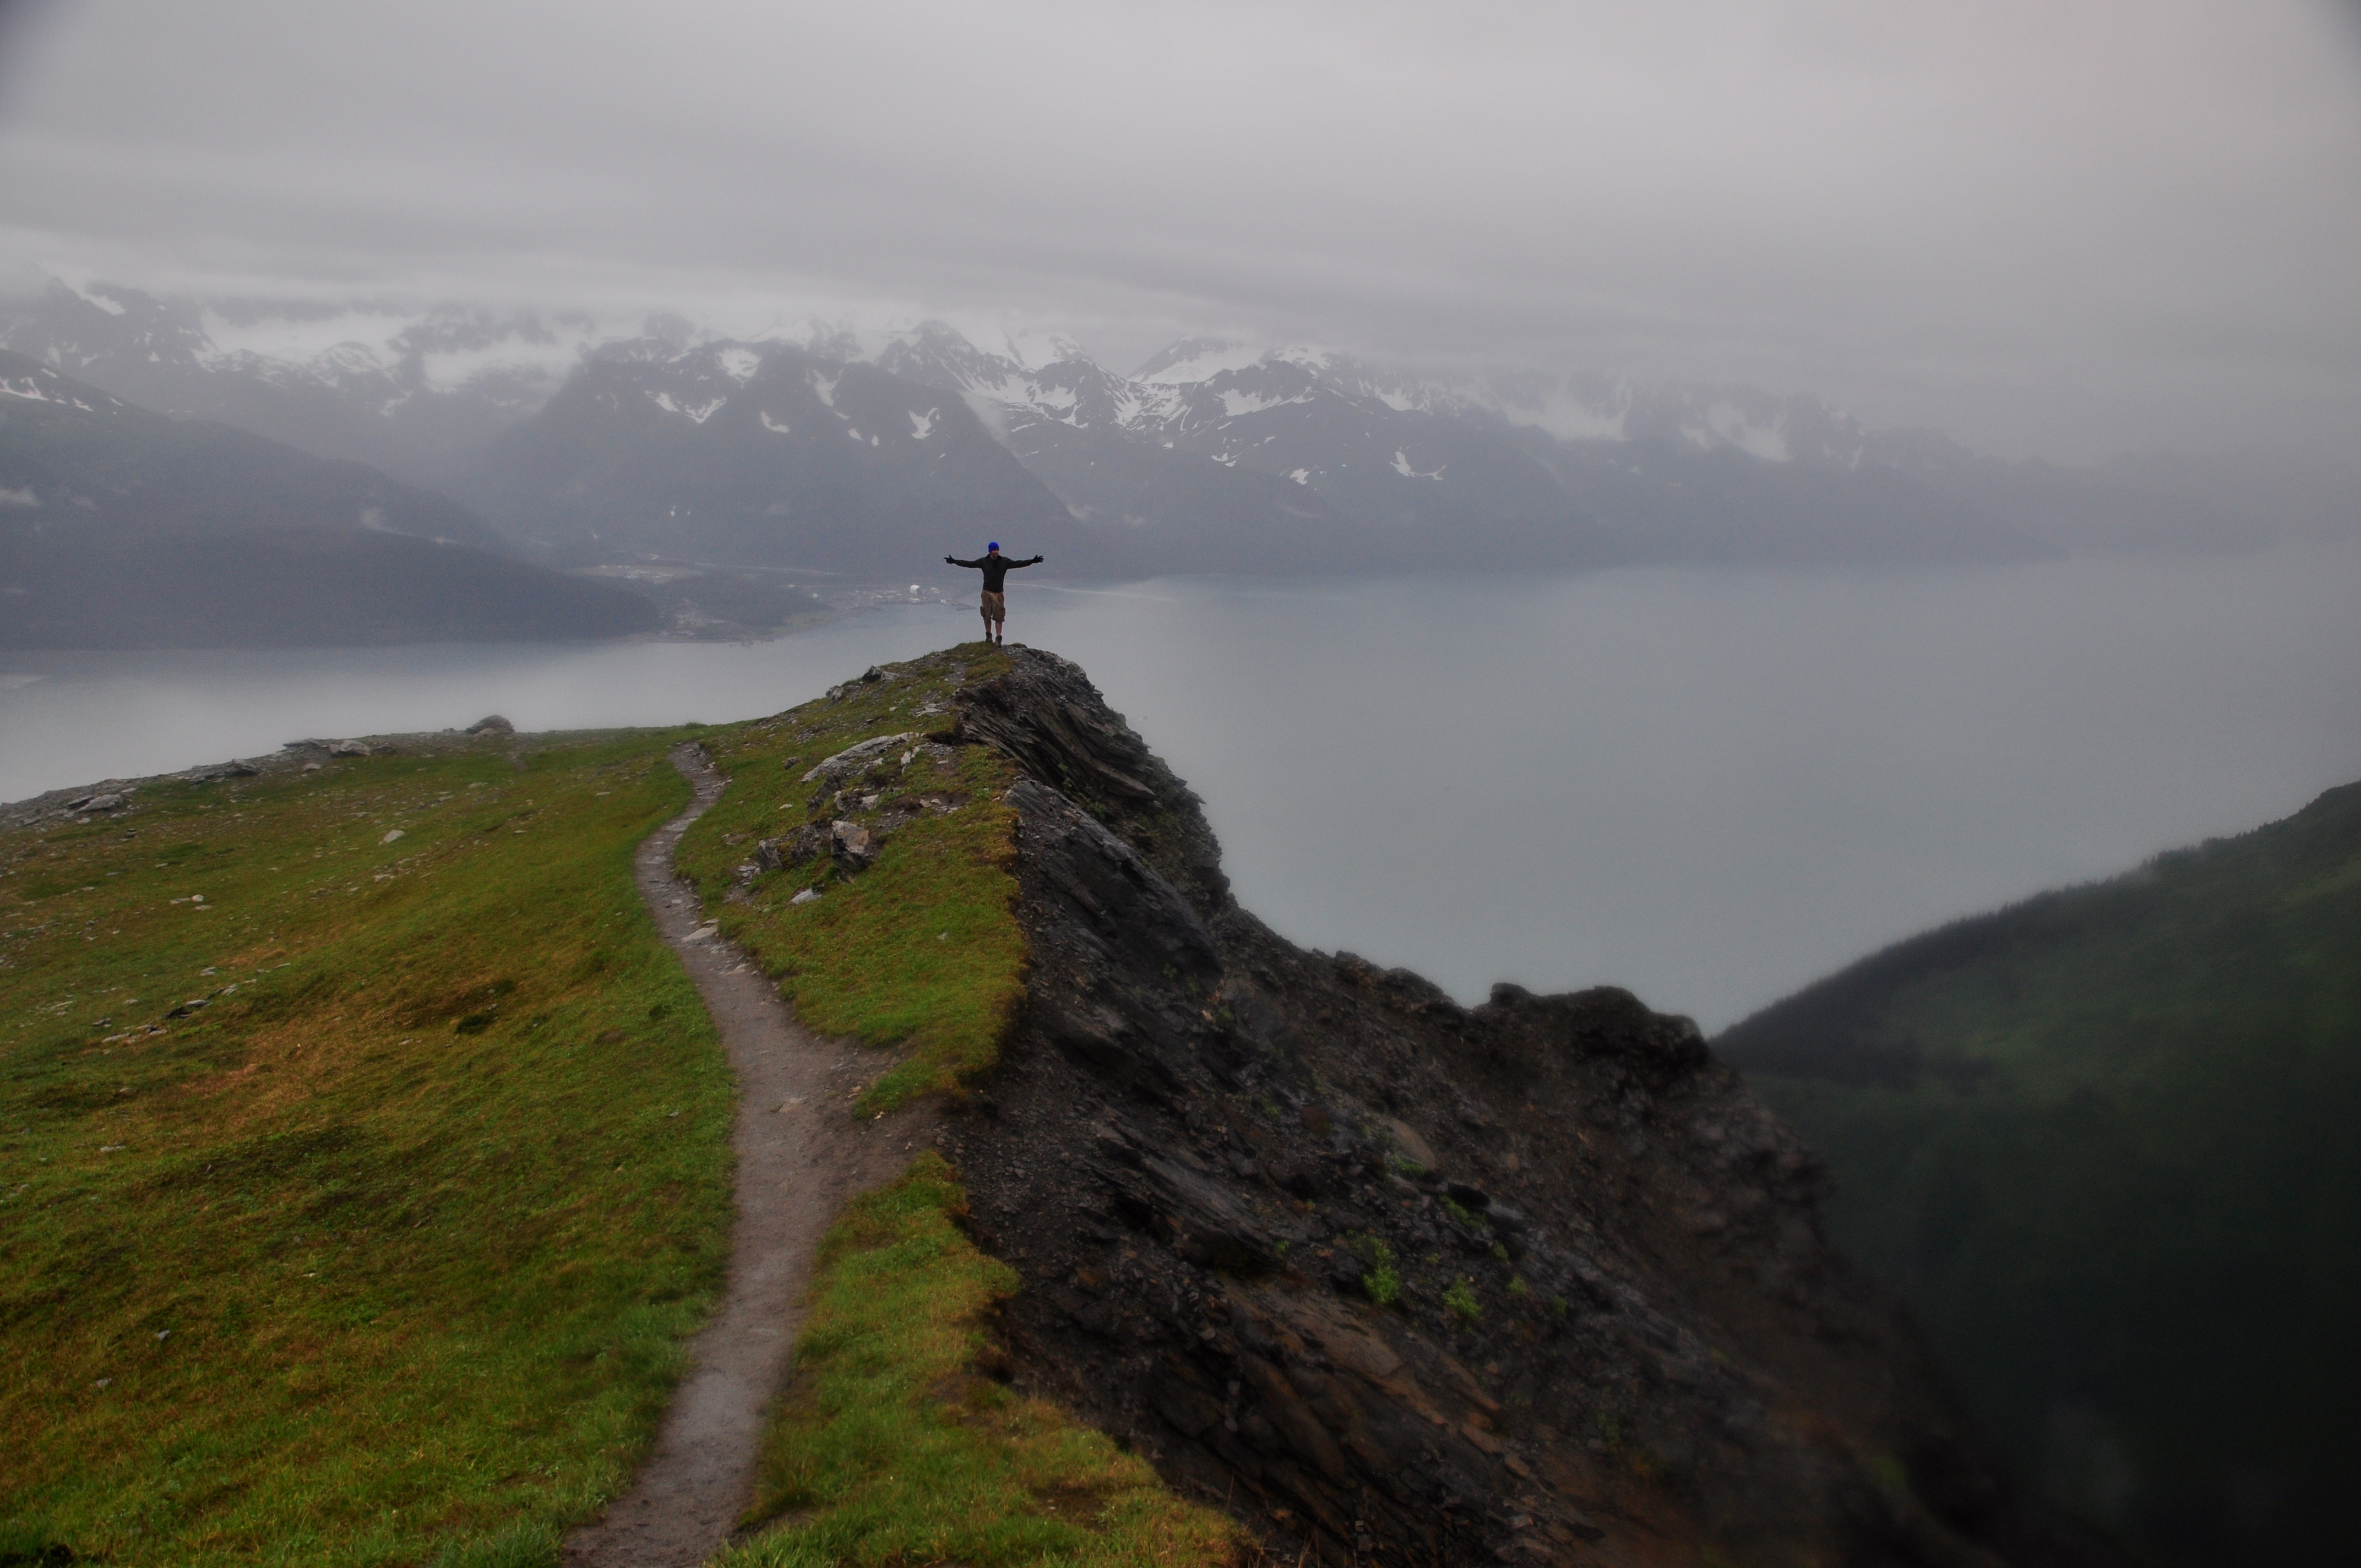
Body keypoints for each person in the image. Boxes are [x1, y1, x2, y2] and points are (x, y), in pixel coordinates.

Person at [944, 542, 1044, 645]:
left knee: (999, 616)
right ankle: (989, 636)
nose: (996, 552)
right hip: (986, 592)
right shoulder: (983, 561)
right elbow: (970, 564)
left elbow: (1019, 564)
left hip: (999, 593)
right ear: (990, 551)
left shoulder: (1005, 561)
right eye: (994, 550)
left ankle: (999, 638)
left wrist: (1032, 561)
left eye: (997, 550)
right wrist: (955, 562)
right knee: (986, 615)